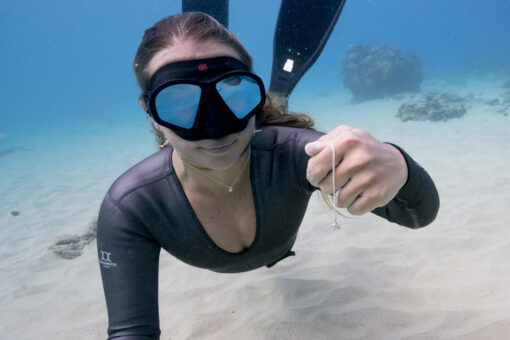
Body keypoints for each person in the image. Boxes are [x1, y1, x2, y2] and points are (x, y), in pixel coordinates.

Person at [97, 12, 439, 339]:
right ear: (151, 113)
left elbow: (416, 215)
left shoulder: (296, 154)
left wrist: (399, 165)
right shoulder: (132, 206)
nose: (215, 128)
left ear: (253, 92)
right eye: (179, 102)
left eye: (233, 91)